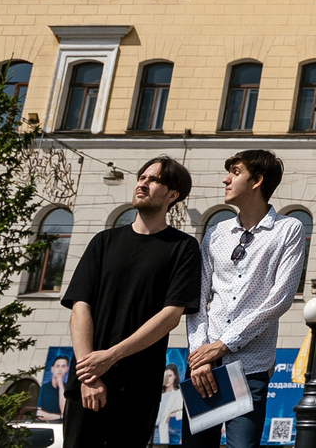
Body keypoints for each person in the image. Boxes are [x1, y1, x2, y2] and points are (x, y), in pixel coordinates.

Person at [64, 157, 205, 448]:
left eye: (153, 179)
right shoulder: (104, 242)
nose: (142, 183)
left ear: (172, 195)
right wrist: (90, 374)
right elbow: (80, 306)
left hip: (137, 387)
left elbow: (170, 316)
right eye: (142, 177)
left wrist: (111, 356)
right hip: (87, 382)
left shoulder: (183, 248)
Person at [186, 150, 310, 448]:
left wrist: (224, 344)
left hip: (249, 366)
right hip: (205, 367)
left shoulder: (288, 229)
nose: (226, 179)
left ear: (257, 181)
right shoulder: (216, 233)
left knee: (241, 446)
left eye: (236, 172)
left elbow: (280, 299)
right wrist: (200, 354)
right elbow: (197, 299)